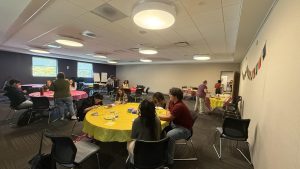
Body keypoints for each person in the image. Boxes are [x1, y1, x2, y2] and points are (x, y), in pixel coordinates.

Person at [158, 87, 193, 166]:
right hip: (176, 124)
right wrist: (169, 115)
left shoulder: (179, 106)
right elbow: (168, 110)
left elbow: (169, 118)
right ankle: (163, 149)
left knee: (169, 135)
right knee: (162, 129)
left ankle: (169, 161)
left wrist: (156, 116)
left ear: (175, 96)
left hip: (185, 129)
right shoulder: (172, 101)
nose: (169, 95)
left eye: (170, 94)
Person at [127, 99, 162, 163]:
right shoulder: (157, 119)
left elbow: (133, 137)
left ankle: (132, 160)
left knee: (128, 142)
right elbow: (160, 132)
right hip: (156, 148)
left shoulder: (137, 121)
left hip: (141, 151)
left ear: (141, 110)